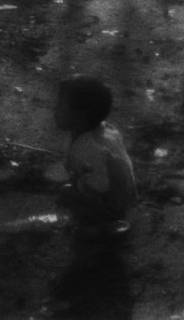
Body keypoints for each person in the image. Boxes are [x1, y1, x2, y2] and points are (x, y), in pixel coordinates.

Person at [53, 75, 137, 238]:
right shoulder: (105, 129)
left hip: (113, 205)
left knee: (67, 194)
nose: (55, 110)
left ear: (81, 116)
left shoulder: (86, 147)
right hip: (126, 196)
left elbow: (100, 185)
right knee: (71, 188)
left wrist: (78, 187)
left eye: (61, 107)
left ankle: (101, 227)